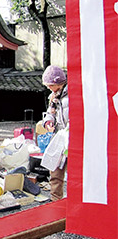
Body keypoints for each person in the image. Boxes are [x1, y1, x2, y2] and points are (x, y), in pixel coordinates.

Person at [41, 65, 68, 201]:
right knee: (55, 171)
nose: (49, 88)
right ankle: (55, 199)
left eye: (51, 85)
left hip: (70, 136)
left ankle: (75, 201)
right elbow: (50, 114)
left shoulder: (72, 94)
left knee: (75, 172)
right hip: (58, 136)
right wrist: (48, 122)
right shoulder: (53, 97)